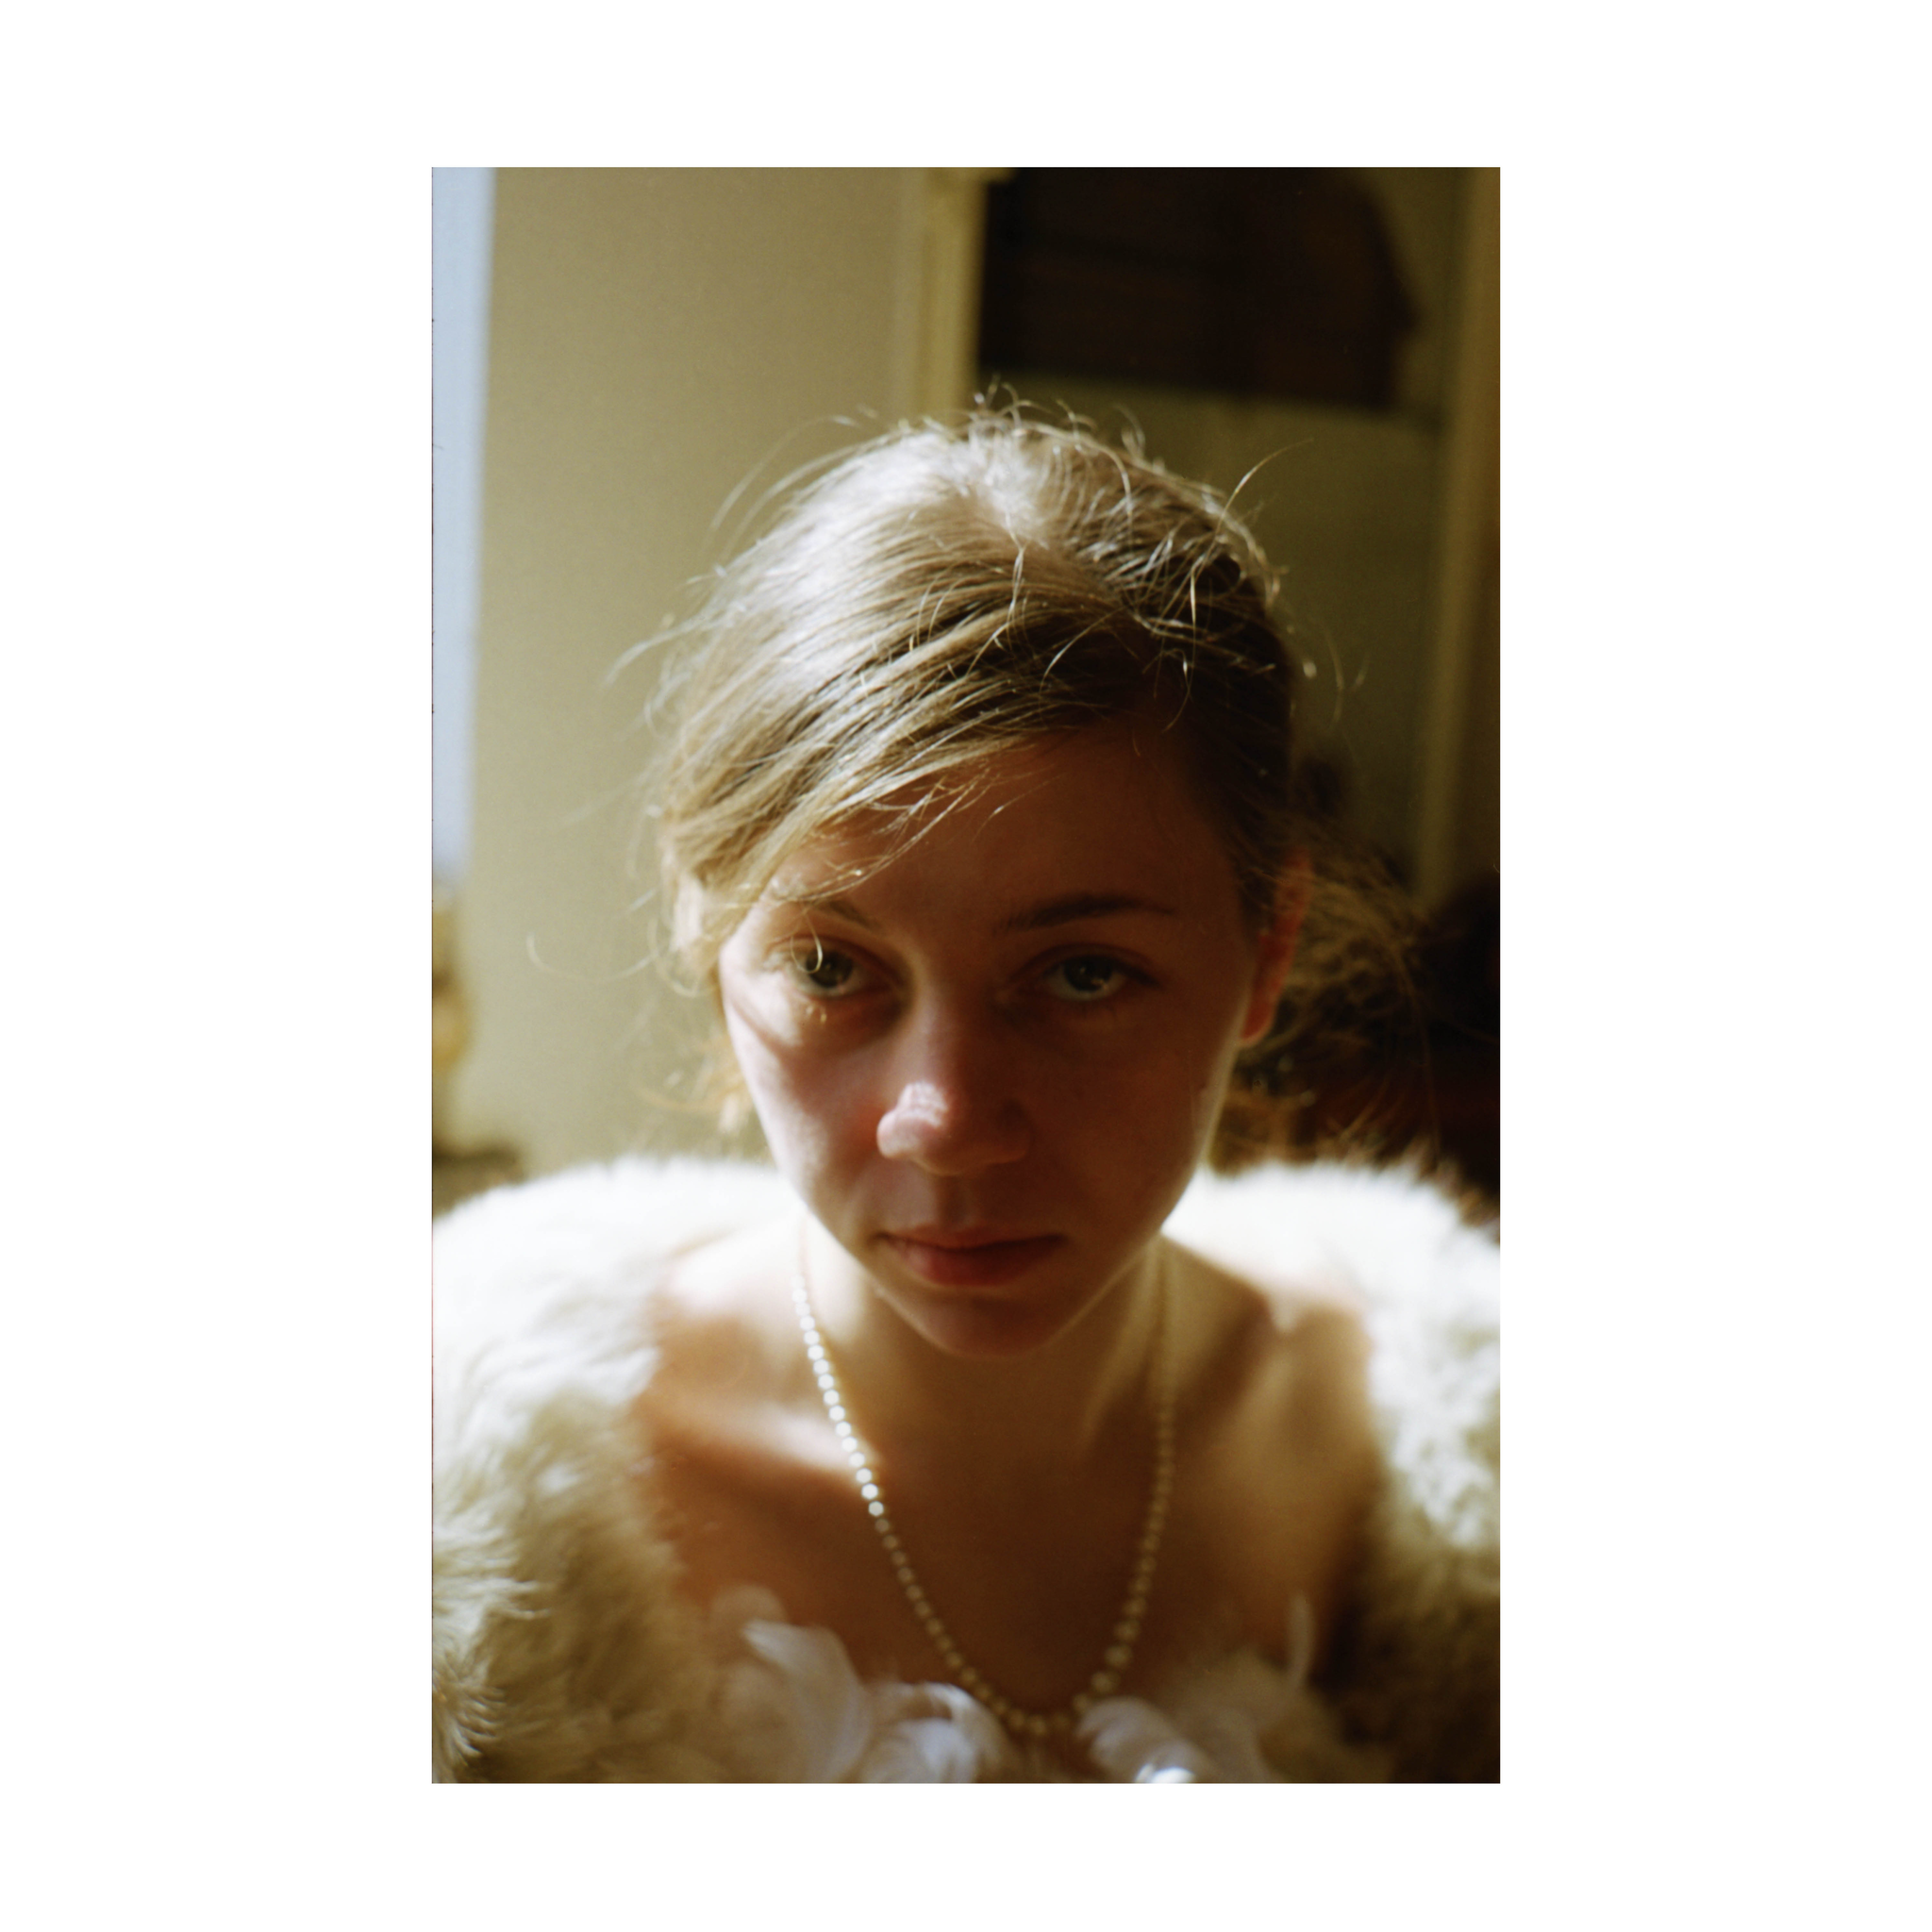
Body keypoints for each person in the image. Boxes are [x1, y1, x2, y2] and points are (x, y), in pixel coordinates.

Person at [432, 411, 1499, 1782]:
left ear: (1265, 951)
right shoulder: (459, 1533)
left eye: (1081, 976)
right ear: (705, 929)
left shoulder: (1445, 1463)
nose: (943, 1116)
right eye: (832, 967)